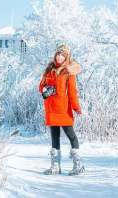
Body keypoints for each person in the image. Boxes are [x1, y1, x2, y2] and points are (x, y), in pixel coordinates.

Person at [38, 42, 85, 175]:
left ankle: (78, 165)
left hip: (63, 109)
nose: (59, 57)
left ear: (66, 57)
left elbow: (72, 92)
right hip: (51, 108)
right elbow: (40, 86)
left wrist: (76, 107)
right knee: (54, 136)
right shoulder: (49, 69)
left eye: (63, 55)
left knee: (71, 135)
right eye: (58, 54)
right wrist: (46, 89)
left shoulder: (68, 72)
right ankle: (55, 167)